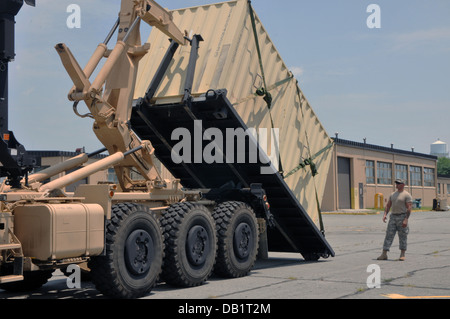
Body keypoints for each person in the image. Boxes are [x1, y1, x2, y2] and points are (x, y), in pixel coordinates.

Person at [377, 179, 413, 261]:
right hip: (393, 217)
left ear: (403, 185)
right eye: (396, 183)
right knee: (388, 235)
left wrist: (406, 219)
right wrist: (385, 214)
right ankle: (384, 254)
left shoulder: (406, 195)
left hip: (402, 216)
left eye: (399, 183)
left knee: (403, 236)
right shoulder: (393, 194)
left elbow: (409, 208)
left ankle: (402, 254)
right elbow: (388, 205)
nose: (397, 185)